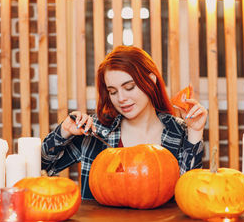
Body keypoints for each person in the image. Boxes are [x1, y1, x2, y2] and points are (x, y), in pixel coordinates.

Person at [41, 45, 208, 200]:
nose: (121, 99)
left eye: (129, 87)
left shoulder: (178, 132)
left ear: (151, 80)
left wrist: (194, 132)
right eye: (113, 91)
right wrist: (63, 132)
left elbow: (190, 196)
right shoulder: (95, 131)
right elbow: (42, 168)